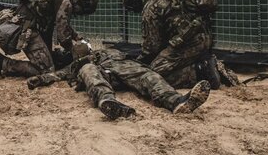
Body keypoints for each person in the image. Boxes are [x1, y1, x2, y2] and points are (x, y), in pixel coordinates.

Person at [27, 44, 211, 120]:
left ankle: (177, 102)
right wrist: (40, 79)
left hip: (121, 67)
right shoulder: (79, 65)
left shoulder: (110, 51)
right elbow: (58, 74)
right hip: (102, 76)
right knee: (88, 71)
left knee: (147, 75)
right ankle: (108, 102)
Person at [0, 0, 98, 78]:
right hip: (26, 28)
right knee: (46, 70)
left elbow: (63, 25)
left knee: (50, 60)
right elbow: (63, 36)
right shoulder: (66, 3)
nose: (79, 13)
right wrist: (74, 50)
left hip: (30, 26)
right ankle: (2, 63)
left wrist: (77, 37)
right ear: (82, 6)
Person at [121, 0, 223, 89]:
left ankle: (200, 72)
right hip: (205, 38)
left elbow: (152, 47)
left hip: (189, 45)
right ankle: (209, 65)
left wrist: (139, 63)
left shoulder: (150, 7)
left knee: (150, 76)